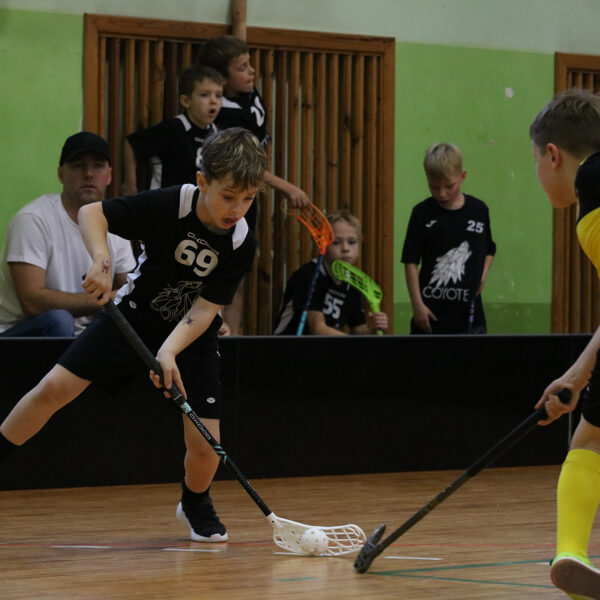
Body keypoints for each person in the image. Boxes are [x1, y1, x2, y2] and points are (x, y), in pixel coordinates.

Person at [0, 127, 267, 543]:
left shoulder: (241, 241)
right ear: (203, 182)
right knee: (52, 389)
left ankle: (195, 502)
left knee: (205, 445)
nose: (238, 209)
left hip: (191, 337)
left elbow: (205, 309)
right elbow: (93, 214)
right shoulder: (171, 204)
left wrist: (169, 351)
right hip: (133, 318)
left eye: (248, 198)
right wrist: (102, 259)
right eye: (229, 196)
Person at [531, 88, 600, 599]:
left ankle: (571, 551)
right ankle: (572, 562)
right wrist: (577, 376)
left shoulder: (591, 192)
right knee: (591, 435)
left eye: (536, 161)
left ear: (553, 154)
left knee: (591, 444)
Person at [197, 35, 311, 335]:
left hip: (248, 202)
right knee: (220, 273)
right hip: (229, 200)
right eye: (242, 68)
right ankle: (213, 335)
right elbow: (241, 165)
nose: (251, 72)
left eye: (250, 65)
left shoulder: (246, 91)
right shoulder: (225, 114)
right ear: (223, 78)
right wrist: (286, 187)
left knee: (238, 275)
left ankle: (232, 338)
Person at [0, 132, 136, 337]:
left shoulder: (116, 223)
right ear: (61, 174)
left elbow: (129, 288)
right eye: (78, 166)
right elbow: (32, 303)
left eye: (98, 166)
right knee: (60, 320)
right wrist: (106, 300)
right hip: (17, 338)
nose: (88, 173)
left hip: (80, 336)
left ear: (109, 176)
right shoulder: (33, 219)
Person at [401, 142, 496, 334]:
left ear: (462, 176)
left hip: (470, 319)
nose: (442, 194)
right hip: (430, 315)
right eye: (434, 187)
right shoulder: (421, 213)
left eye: (449, 186)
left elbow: (489, 249)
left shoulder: (479, 210)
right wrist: (417, 306)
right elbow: (410, 261)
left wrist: (482, 274)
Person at [273, 210, 388, 335]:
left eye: (352, 242)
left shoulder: (353, 284)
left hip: (326, 346)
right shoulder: (308, 275)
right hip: (289, 345)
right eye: (336, 242)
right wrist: (355, 344)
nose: (345, 248)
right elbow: (318, 328)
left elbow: (358, 330)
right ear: (323, 244)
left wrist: (372, 329)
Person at [121, 64, 224, 195]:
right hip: (165, 203)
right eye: (205, 95)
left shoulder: (216, 132)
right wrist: (130, 184)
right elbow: (131, 144)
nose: (214, 101)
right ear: (186, 101)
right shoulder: (173, 129)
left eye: (218, 95)